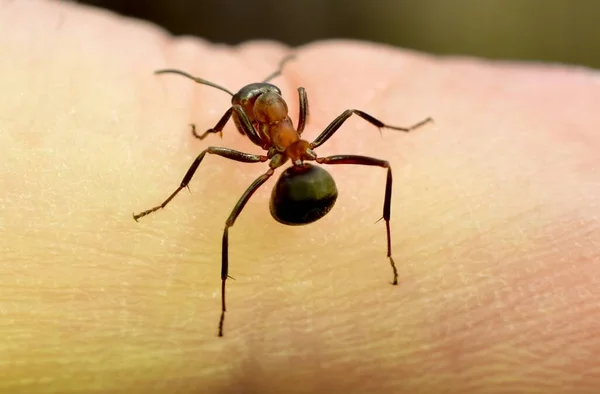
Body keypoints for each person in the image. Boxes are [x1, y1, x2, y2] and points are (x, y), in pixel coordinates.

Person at [1, 1, 599, 393]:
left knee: (240, 206)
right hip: (304, 182)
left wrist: (228, 127)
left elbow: (238, 128)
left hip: (301, 187)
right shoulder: (279, 128)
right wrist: (224, 123)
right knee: (241, 190)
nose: (249, 113)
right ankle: (225, 294)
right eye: (247, 108)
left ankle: (360, 240)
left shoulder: (272, 137)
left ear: (266, 116)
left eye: (246, 108)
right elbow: (239, 122)